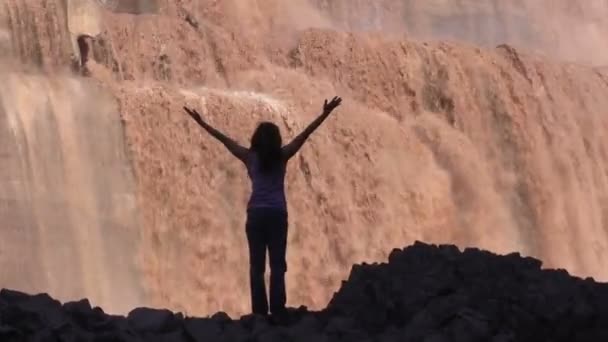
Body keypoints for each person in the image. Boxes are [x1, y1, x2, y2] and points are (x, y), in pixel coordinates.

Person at [183, 96, 342, 322]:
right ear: (277, 140)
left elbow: (224, 140)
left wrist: (202, 123)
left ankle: (259, 313)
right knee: (278, 264)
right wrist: (325, 113)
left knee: (256, 266)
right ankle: (277, 310)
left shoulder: (249, 157)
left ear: (256, 140)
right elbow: (305, 135)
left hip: (255, 214)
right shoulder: (283, 156)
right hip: (277, 214)